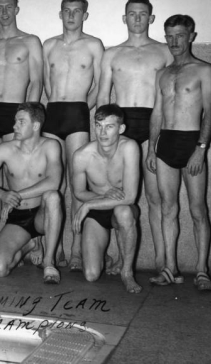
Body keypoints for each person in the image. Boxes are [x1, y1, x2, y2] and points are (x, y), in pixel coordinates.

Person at [97, 0, 173, 273]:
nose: (137, 19)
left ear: (151, 19)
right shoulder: (112, 53)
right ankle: (119, 258)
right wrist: (102, 138)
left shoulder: (164, 51)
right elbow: (103, 96)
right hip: (121, 125)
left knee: (155, 197)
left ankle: (161, 260)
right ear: (124, 18)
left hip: (155, 124)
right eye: (132, 14)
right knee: (118, 194)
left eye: (143, 14)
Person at [147, 15, 211, 292]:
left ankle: (201, 270)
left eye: (179, 35)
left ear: (191, 36)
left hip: (192, 142)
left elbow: (209, 111)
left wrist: (201, 148)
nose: (174, 41)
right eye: (169, 36)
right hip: (166, 143)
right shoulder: (162, 74)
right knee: (167, 208)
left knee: (198, 209)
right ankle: (169, 268)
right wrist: (152, 149)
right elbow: (157, 113)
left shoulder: (204, 70)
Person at [0, 0, 43, 260]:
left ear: (17, 9)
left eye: (9, 7)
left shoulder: (29, 41)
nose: (4, 12)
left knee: (15, 178)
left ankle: (27, 238)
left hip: (16, 112)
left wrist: (27, 120)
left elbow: (37, 81)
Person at [42, 0, 104, 271]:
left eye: (77, 11)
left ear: (84, 15)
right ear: (60, 13)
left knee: (78, 186)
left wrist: (82, 109)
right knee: (55, 184)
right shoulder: (49, 45)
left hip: (78, 114)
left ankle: (78, 251)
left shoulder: (93, 45)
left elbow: (101, 88)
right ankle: (56, 250)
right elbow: (45, 83)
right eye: (66, 10)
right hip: (53, 112)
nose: (71, 16)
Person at [0, 103, 62, 283]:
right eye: (15, 121)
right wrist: (1, 195)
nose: (14, 126)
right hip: (17, 217)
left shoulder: (51, 146)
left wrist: (17, 195)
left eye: (21, 122)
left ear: (35, 126)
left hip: (41, 215)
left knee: (53, 197)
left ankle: (49, 262)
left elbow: (54, 182)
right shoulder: (5, 149)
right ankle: (29, 244)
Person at [72, 104, 141, 293]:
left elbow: (130, 197)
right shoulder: (81, 156)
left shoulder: (129, 148)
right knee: (91, 275)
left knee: (124, 212)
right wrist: (99, 198)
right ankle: (105, 258)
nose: (102, 132)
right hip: (98, 211)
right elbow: (78, 192)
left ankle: (127, 272)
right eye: (98, 125)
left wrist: (87, 205)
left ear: (121, 129)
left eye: (109, 126)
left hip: (119, 208)